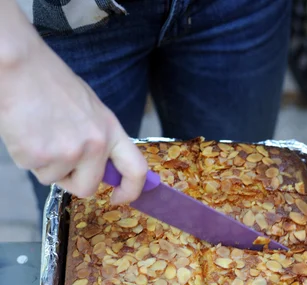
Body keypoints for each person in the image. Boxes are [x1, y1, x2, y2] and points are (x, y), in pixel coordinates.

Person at [0, 0, 291, 225]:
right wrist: (14, 60)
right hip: (66, 15)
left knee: (239, 186)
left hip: (243, 9)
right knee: (84, 198)